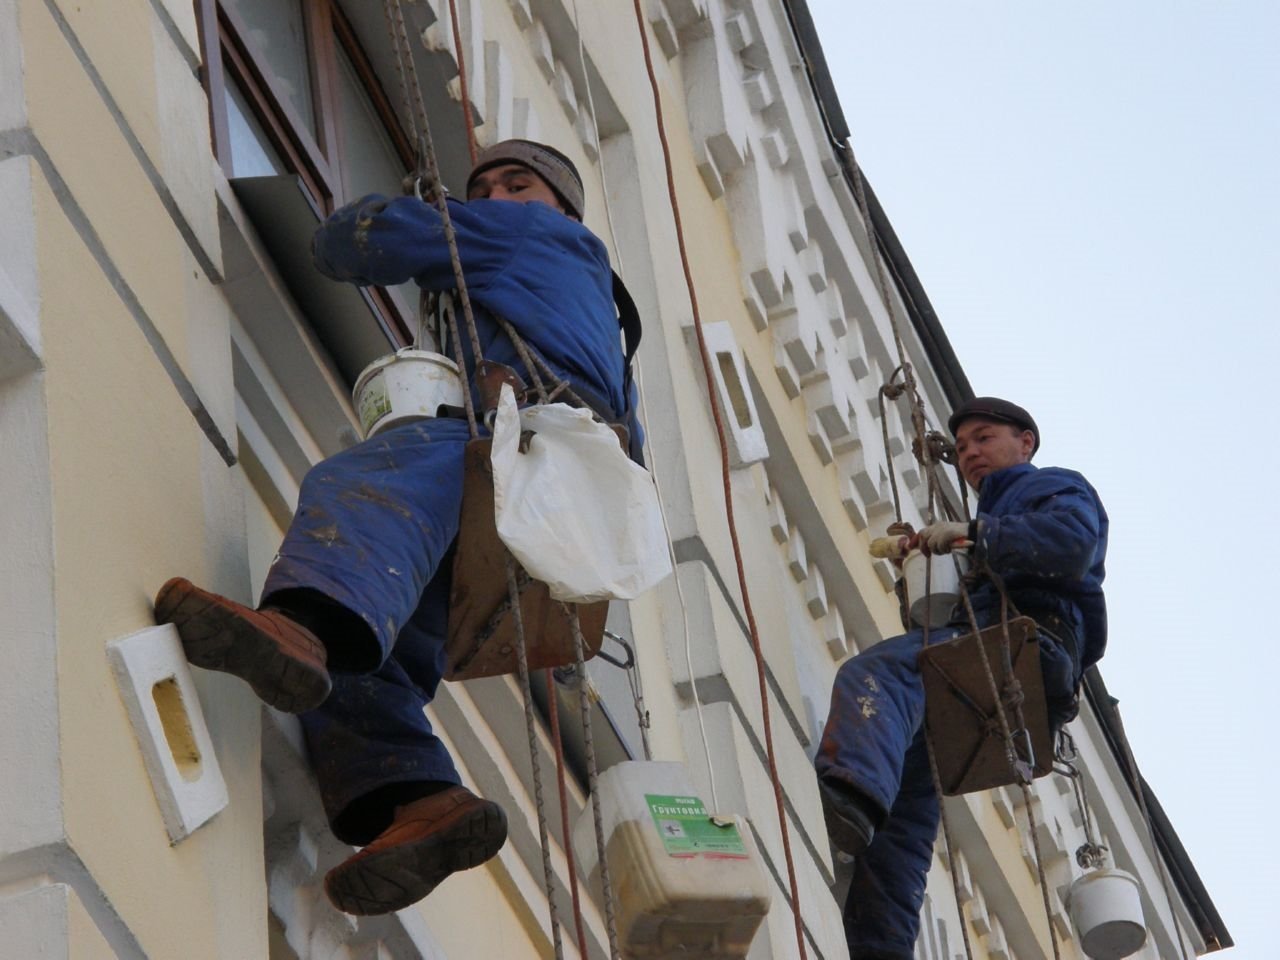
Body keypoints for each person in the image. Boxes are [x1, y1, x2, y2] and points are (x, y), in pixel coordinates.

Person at [155, 140, 640, 916]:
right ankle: (419, 802)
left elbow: (353, 245)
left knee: (371, 480)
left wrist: (414, 213)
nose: (496, 199)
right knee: (377, 646)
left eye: (520, 185)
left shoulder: (526, 237)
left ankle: (299, 626)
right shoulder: (607, 323)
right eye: (482, 186)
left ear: (564, 211)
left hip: (519, 445)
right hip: (557, 506)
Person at [815, 397, 1108, 960]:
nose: (971, 453)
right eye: (965, 446)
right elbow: (942, 620)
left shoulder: (1048, 488)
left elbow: (1071, 544)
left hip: (1027, 643)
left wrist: (977, 536)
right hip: (988, 662)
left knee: (874, 673)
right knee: (907, 793)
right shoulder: (994, 521)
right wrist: (925, 571)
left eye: (985, 437)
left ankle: (847, 795)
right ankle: (878, 946)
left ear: (1026, 442)